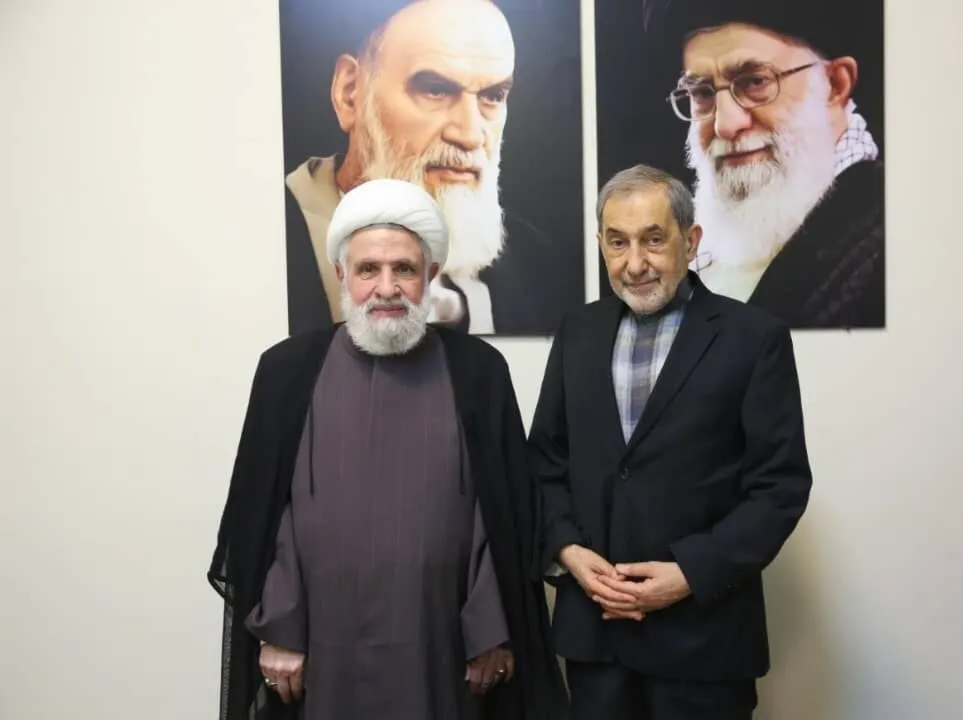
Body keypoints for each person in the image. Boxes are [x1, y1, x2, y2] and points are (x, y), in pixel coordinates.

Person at [208, 178, 568, 719]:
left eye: (403, 269)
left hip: (441, 645)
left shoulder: (479, 372)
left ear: (430, 274)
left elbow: (502, 516)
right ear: (341, 275)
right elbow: (263, 514)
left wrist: (491, 629)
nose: (386, 287)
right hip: (321, 647)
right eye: (368, 270)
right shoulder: (286, 371)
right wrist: (279, 628)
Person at [529, 164, 813, 719]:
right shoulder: (577, 332)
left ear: (691, 240)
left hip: (704, 644)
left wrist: (689, 573)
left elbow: (779, 487)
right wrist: (568, 553)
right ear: (601, 244)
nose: (635, 263)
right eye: (618, 242)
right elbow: (545, 461)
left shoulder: (754, 339)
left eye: (653, 239)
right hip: (596, 643)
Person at [284, 0, 567, 337]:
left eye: (492, 96)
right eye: (435, 90)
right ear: (350, 94)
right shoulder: (275, 238)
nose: (470, 134)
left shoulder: (541, 266)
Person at [643, 0, 884, 328]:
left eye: (754, 82)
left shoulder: (883, 244)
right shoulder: (694, 253)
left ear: (834, 86)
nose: (725, 125)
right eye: (702, 93)